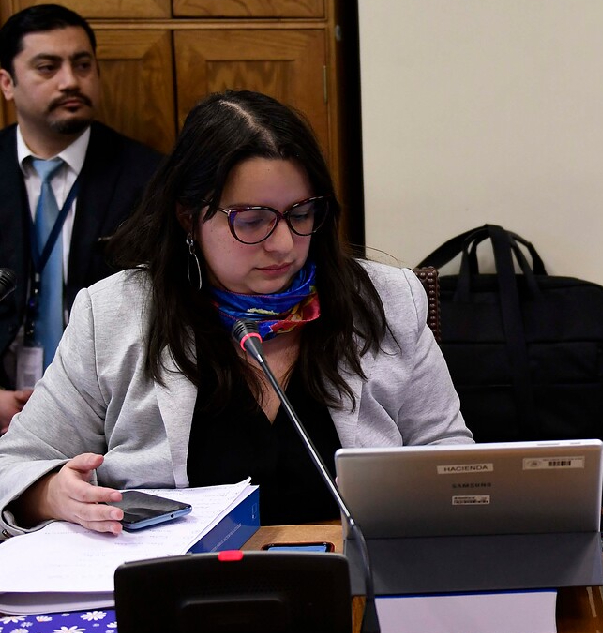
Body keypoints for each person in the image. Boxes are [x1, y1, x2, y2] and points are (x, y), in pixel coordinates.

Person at [0, 90, 472, 537]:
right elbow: (14, 464)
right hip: (179, 591)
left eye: (302, 213)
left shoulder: (387, 300)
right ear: (189, 216)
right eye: (252, 220)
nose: (285, 244)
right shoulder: (113, 314)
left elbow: (450, 458)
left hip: (353, 583)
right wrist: (52, 494)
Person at [0, 4, 162, 433]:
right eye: (47, 67)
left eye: (82, 64)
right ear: (7, 83)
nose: (70, 80)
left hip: (104, 418)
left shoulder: (148, 179)